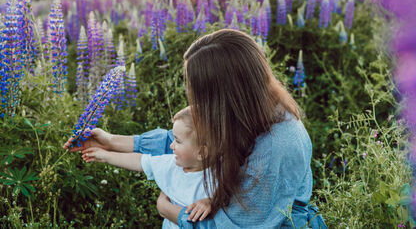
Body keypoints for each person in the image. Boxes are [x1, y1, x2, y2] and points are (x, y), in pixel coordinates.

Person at [65, 29, 327, 228]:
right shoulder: (252, 111)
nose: (195, 101)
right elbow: (187, 140)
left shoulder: (275, 147)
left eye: (200, 93)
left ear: (225, 94)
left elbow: (229, 226)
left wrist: (170, 211)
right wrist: (109, 141)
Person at [68, 107, 213, 228]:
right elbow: (140, 161)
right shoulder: (170, 164)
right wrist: (104, 155)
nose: (171, 146)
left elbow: (228, 195)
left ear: (201, 152)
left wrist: (211, 201)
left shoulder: (220, 176)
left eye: (178, 141)